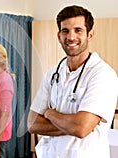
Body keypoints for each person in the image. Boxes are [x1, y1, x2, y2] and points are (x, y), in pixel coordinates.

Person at [27, 5, 118, 158]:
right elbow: (32, 124)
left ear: (90, 35)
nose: (71, 37)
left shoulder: (103, 74)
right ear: (59, 36)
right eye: (65, 31)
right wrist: (72, 125)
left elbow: (81, 128)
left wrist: (49, 113)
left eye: (78, 30)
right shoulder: (52, 74)